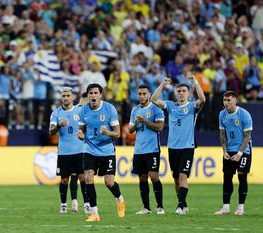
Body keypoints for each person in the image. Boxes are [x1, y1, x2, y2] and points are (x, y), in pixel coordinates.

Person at [151, 75, 206, 215]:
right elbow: (153, 99)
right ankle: (183, 203)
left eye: (183, 91)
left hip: (187, 147)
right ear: (176, 93)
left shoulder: (193, 106)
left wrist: (196, 83)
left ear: (189, 93)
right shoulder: (170, 105)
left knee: (183, 176)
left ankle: (180, 206)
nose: (181, 93)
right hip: (172, 147)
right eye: (179, 91)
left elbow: (203, 100)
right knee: (175, 178)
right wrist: (163, 84)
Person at [77, 83, 125, 222]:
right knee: (88, 178)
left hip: (106, 150)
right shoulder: (84, 110)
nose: (93, 95)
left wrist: (107, 132)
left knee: (109, 182)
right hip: (90, 149)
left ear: (100, 95)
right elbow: (81, 129)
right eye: (90, 93)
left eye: (95, 93)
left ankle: (120, 199)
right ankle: (95, 214)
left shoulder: (109, 109)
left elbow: (117, 133)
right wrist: (80, 134)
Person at [49, 87, 90, 214]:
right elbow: (51, 132)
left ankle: (87, 204)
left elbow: (88, 127)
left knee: (83, 178)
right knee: (64, 180)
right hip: (64, 153)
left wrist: (84, 134)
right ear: (61, 98)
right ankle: (63, 204)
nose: (66, 98)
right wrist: (59, 126)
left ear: (72, 97)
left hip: (80, 151)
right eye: (64, 96)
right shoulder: (56, 113)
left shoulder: (80, 111)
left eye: (68, 96)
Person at [214, 91, 253, 216]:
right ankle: (226, 208)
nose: (226, 103)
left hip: (243, 150)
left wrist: (240, 153)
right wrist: (224, 151)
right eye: (224, 100)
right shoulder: (222, 114)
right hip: (229, 149)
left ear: (235, 100)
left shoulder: (244, 114)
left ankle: (240, 207)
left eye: (229, 100)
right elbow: (222, 134)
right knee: (227, 177)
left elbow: (247, 136)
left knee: (242, 177)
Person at [129, 84, 165, 215]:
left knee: (153, 176)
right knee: (142, 178)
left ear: (149, 94)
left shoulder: (156, 109)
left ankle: (160, 207)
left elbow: (160, 127)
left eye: (144, 93)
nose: (142, 96)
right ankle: (146, 208)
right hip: (139, 150)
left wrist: (144, 121)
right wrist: (137, 123)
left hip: (153, 149)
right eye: (139, 94)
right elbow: (130, 130)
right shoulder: (135, 110)